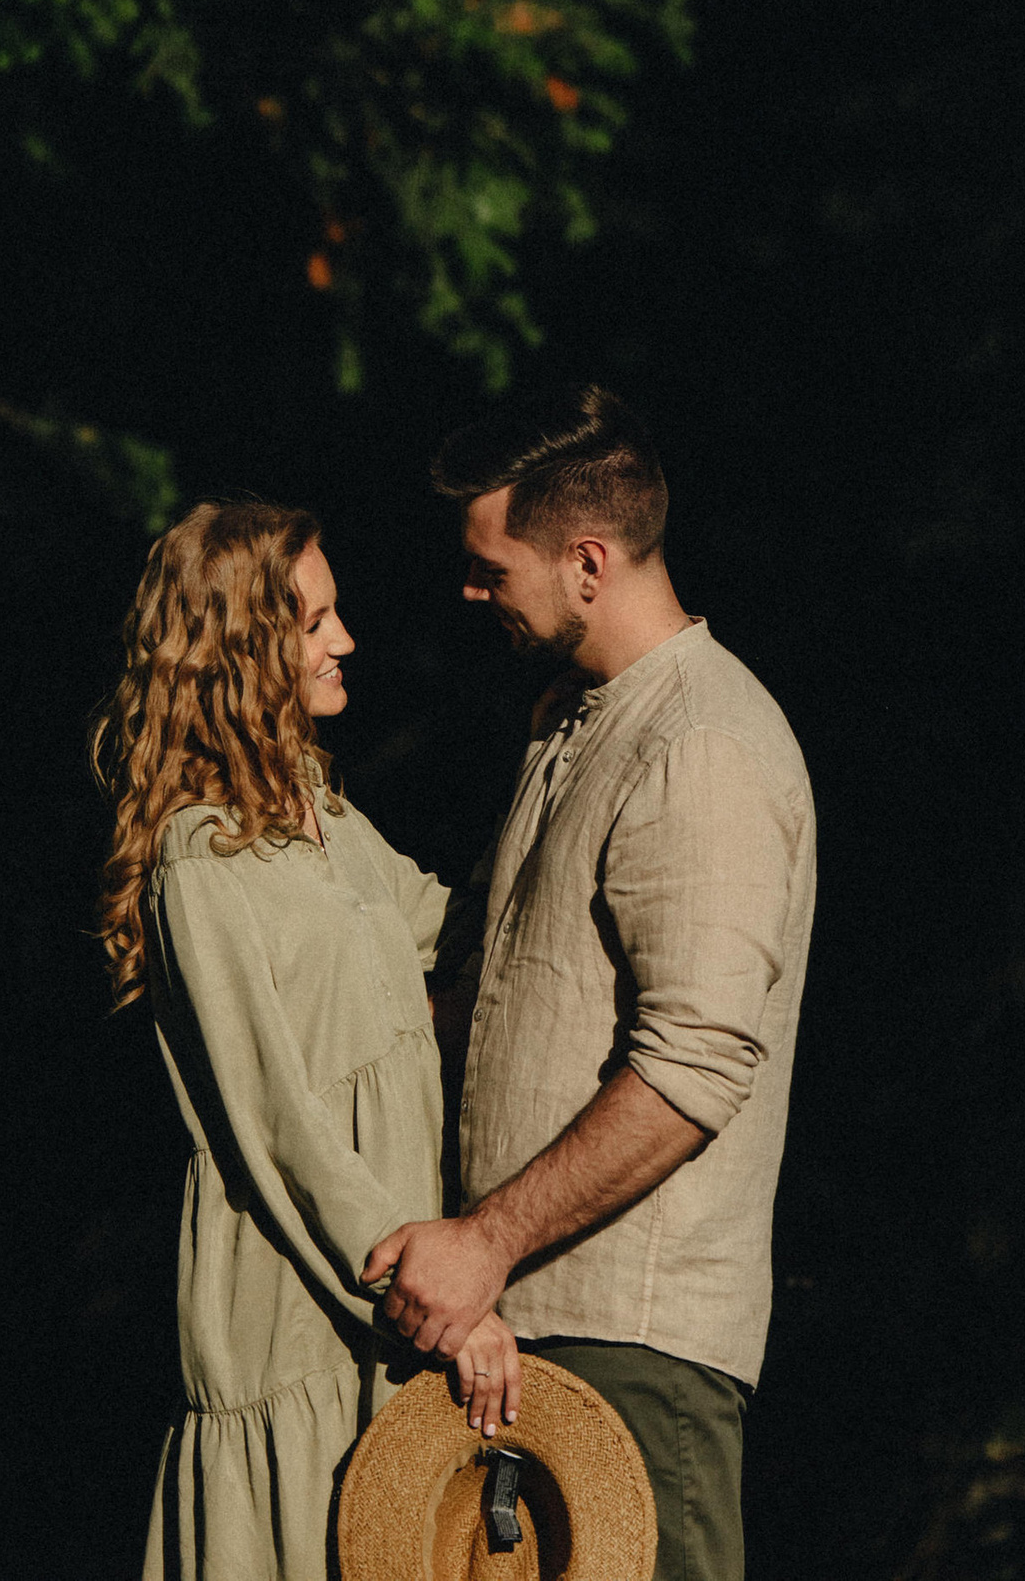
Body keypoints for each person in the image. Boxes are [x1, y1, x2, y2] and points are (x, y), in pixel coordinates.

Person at [362, 388, 816, 1581]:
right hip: (530, 1334)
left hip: (633, 1342)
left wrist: (485, 1240)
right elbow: (496, 997)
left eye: (489, 567)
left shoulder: (701, 744)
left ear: (585, 563)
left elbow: (694, 1066)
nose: (469, 593)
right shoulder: (577, 725)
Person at [97, 498, 519, 1581]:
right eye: (313, 622)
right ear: (241, 652)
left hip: (376, 1293)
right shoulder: (199, 858)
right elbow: (276, 1121)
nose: (343, 641)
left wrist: (566, 799)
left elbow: (452, 926)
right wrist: (429, 1291)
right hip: (292, 1304)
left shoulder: (317, 811)